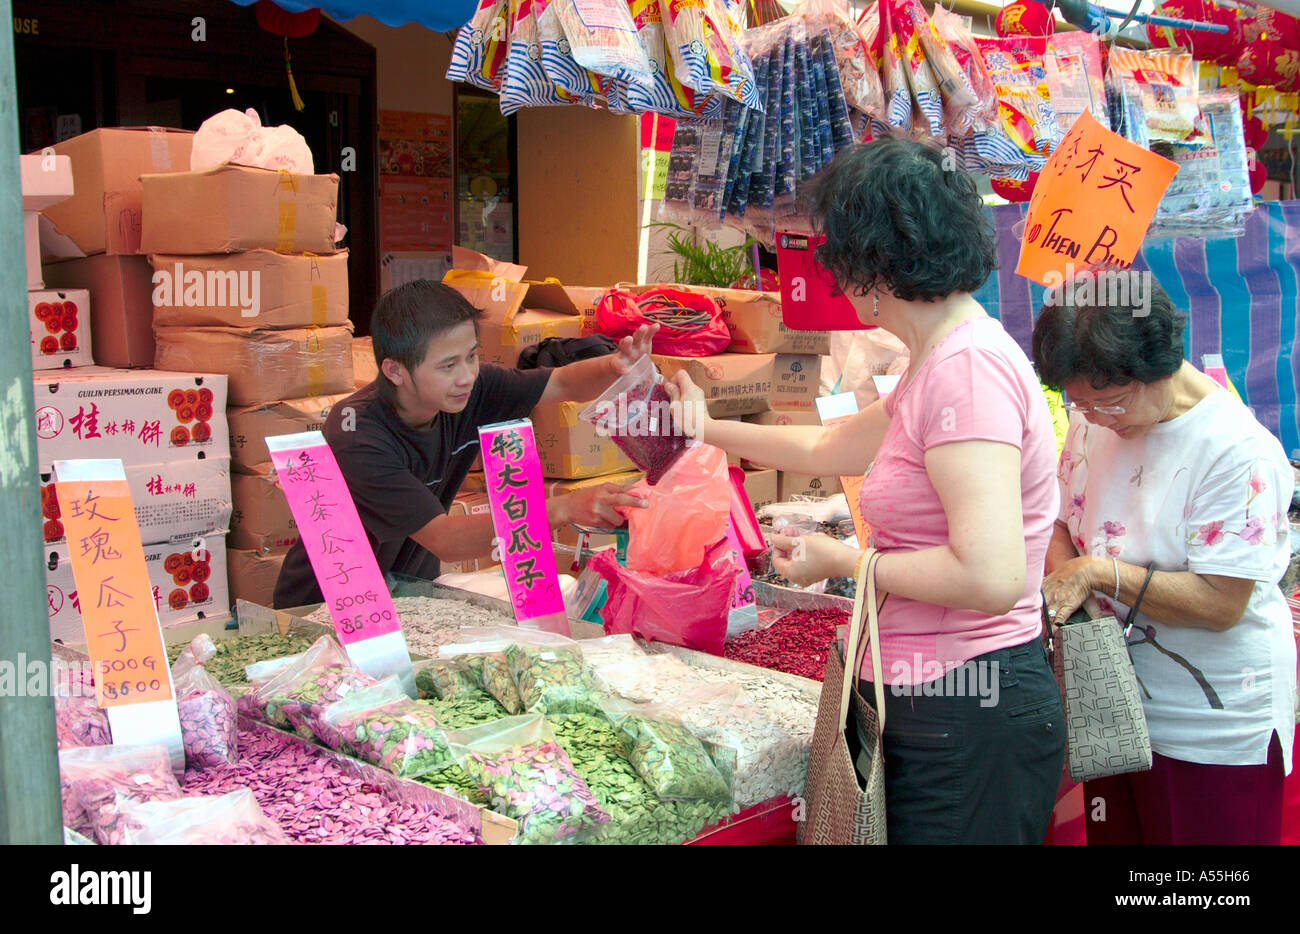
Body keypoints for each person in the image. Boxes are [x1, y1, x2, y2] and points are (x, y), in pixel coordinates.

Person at [665, 137, 1065, 844]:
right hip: (931, 701)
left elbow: (992, 575)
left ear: (874, 263)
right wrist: (708, 429)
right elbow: (829, 444)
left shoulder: (965, 370)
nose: (834, 279)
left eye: (836, 256)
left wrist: (842, 563)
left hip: (968, 712)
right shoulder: (938, 358)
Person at [1036, 271, 1296, 845]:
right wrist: (1071, 584)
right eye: (1077, 402)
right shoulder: (1089, 419)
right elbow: (1059, 523)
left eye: (1107, 403)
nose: (1094, 418)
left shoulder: (1236, 451)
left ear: (1158, 366)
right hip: (1111, 703)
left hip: (1212, 720)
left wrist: (1098, 573)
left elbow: (1222, 603)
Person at [273, 279, 652, 608]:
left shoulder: (471, 389)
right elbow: (445, 539)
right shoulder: (355, 432)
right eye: (448, 365)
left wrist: (615, 367)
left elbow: (562, 383)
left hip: (413, 595)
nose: (466, 376)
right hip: (326, 608)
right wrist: (565, 508)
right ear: (395, 370)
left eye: (471, 357)